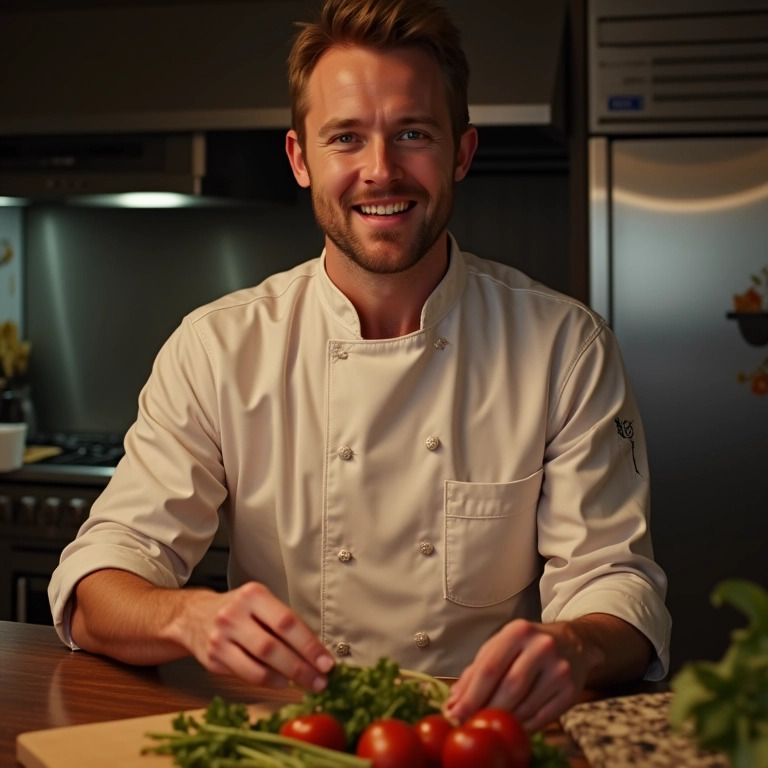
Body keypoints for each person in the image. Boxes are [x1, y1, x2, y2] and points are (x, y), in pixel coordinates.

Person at [49, 0, 671, 732]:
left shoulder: (564, 347)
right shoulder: (218, 348)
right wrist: (188, 618)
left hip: (472, 739)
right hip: (289, 738)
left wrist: (573, 646)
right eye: (346, 137)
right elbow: (100, 584)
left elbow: (615, 584)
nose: (381, 171)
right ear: (300, 159)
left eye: (413, 133)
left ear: (461, 153)